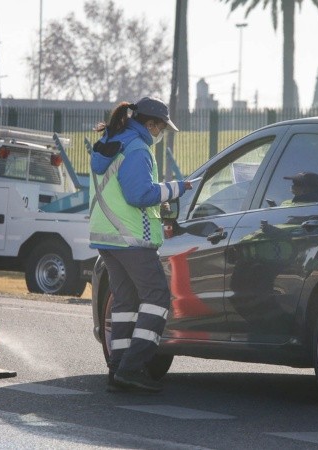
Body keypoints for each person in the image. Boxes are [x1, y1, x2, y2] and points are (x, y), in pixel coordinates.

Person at [89, 96, 192, 393]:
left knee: (125, 302)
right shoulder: (137, 149)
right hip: (132, 237)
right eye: (160, 129)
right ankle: (132, 368)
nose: (159, 135)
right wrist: (176, 188)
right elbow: (138, 194)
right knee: (157, 298)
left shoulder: (111, 142)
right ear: (150, 124)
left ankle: (118, 368)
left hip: (106, 236)